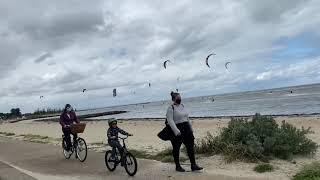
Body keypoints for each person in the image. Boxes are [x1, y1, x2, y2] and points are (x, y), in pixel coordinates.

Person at [166, 92, 203, 172]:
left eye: (180, 97)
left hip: (186, 128)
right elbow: (170, 120)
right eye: (178, 98)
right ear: (174, 99)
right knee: (176, 148)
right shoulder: (171, 108)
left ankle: (193, 165)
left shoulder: (182, 106)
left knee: (190, 147)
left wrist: (191, 128)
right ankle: (178, 166)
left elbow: (187, 118)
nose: (180, 99)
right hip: (177, 129)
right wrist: (176, 131)